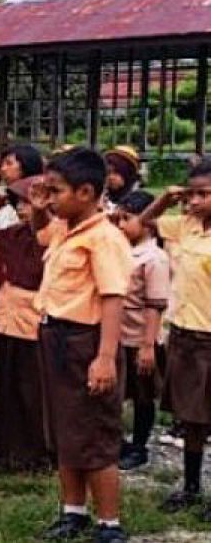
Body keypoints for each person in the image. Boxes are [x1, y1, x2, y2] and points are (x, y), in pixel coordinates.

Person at [32, 147, 132, 543]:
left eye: (56, 191)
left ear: (87, 191)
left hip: (85, 342)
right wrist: (40, 210)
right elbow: (39, 236)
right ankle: (73, 511)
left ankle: (110, 525)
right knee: (65, 431)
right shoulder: (65, 227)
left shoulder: (104, 238)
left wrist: (105, 358)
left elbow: (112, 299)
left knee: (93, 436)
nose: (50, 198)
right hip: (55, 335)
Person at [140, 159, 211, 518]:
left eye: (204, 194)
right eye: (192, 193)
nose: (195, 201)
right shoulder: (185, 227)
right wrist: (166, 198)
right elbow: (141, 224)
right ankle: (192, 486)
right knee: (191, 417)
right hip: (186, 335)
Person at [0, 176, 50, 472]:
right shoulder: (12, 235)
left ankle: (39, 453)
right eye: (18, 203)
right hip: (9, 318)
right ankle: (9, 452)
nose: (23, 209)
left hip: (36, 320)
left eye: (27, 203)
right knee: (8, 388)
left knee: (34, 390)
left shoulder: (56, 235)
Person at [113, 190, 169, 471]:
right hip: (118, 335)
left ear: (148, 222)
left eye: (127, 219)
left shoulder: (154, 258)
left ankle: (140, 444)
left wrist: (148, 345)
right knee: (118, 391)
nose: (121, 225)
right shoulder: (123, 251)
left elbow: (154, 304)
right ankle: (118, 440)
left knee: (142, 395)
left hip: (140, 337)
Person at [104, 145, 141, 212]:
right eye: (108, 172)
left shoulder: (137, 201)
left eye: (117, 172)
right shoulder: (101, 199)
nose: (111, 177)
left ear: (129, 174)